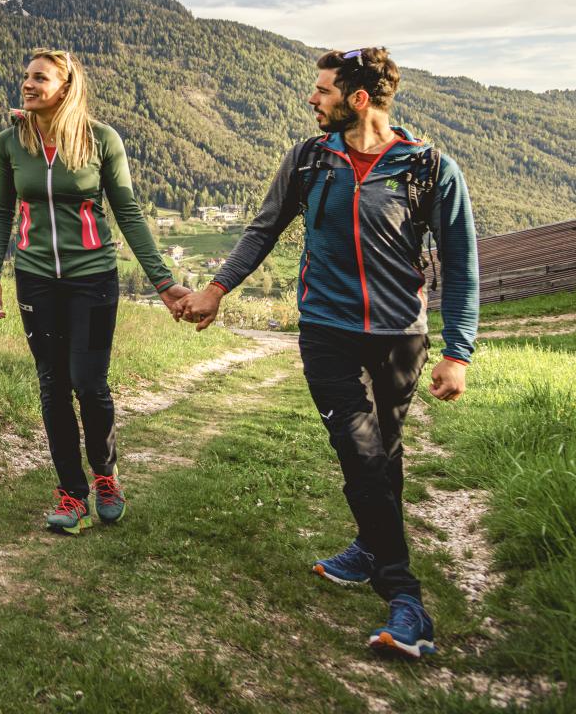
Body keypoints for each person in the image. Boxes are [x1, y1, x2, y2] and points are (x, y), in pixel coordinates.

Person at [177, 47, 478, 660]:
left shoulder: (428, 168)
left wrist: (458, 351)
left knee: (382, 454)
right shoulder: (310, 160)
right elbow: (264, 229)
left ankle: (369, 550)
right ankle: (406, 599)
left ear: (357, 98)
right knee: (360, 448)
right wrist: (216, 289)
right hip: (325, 329)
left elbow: (462, 264)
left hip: (401, 336)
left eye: (322, 90)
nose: (313, 99)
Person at [0, 49, 191, 534]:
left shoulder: (101, 140)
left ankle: (106, 476)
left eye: (40, 78)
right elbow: (0, 212)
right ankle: (71, 493)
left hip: (93, 280)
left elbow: (129, 212)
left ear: (65, 86)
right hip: (35, 279)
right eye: (26, 76)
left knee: (89, 383)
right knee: (53, 386)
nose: (27, 84)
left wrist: (163, 282)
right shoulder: (10, 143)